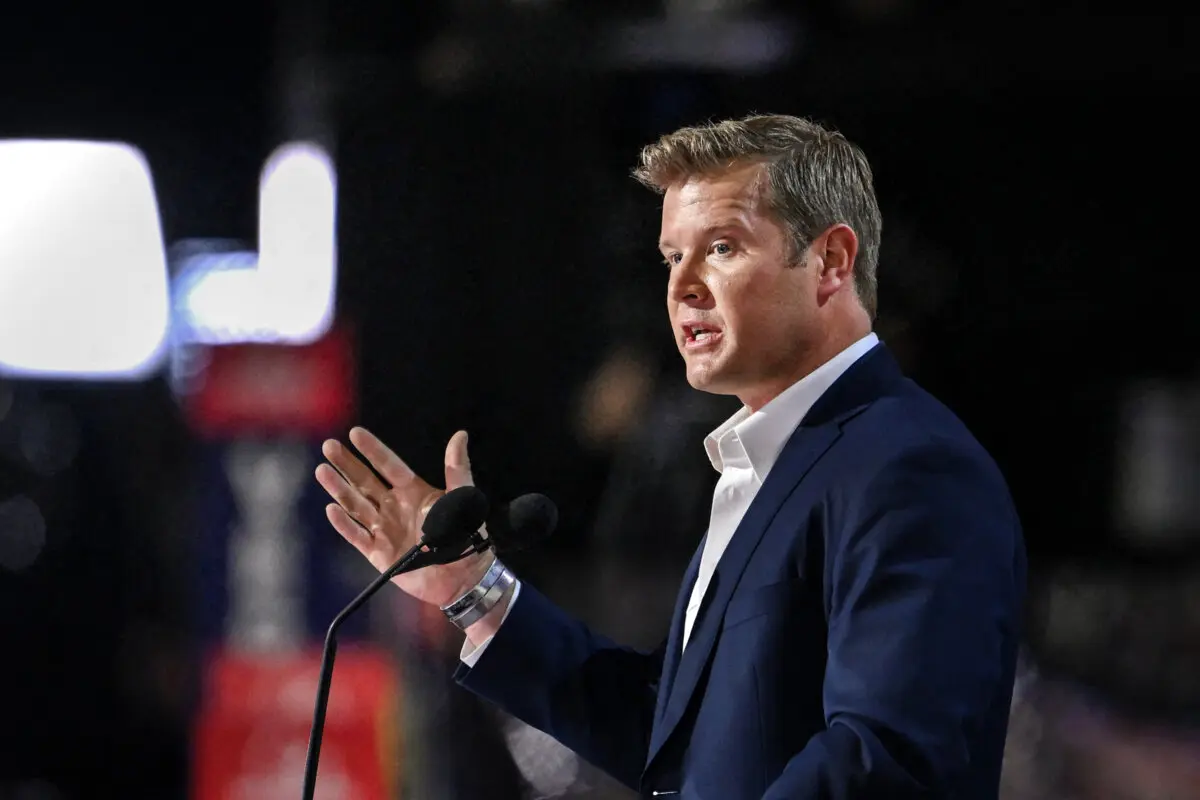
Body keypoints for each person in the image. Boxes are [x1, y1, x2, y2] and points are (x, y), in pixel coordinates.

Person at [315, 114, 1027, 798]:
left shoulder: (908, 466)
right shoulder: (768, 467)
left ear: (831, 262)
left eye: (721, 247)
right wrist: (476, 590)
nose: (682, 285)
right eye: (672, 256)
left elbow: (888, 762)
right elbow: (676, 744)